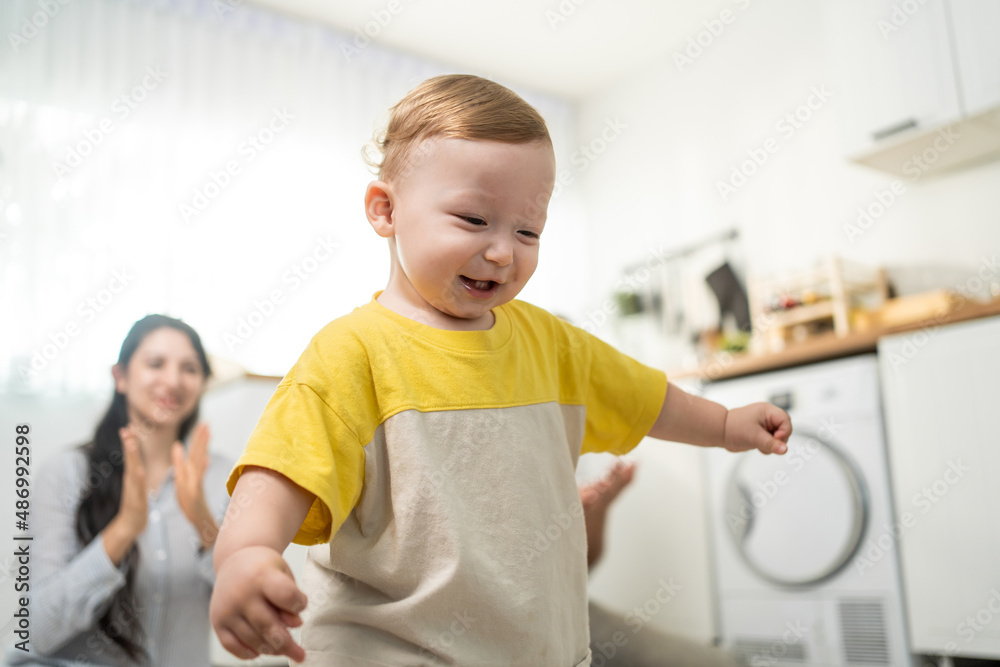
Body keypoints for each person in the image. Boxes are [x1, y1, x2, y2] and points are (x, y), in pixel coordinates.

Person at [209, 74, 792, 666]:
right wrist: (245, 557)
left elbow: (647, 399)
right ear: (385, 210)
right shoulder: (351, 353)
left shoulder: (550, 343)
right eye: (472, 219)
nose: (502, 252)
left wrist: (722, 424)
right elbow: (277, 480)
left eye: (528, 230)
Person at [9, 315, 232, 666]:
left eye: (189, 368)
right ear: (121, 376)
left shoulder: (223, 477)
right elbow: (36, 628)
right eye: (155, 364)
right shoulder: (67, 473)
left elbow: (243, 610)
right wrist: (124, 528)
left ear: (203, 382)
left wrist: (203, 521)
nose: (172, 380)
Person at [580, 460, 740, 667]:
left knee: (721, 662)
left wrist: (599, 505)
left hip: (571, 612)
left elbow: (580, 570)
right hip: (558, 627)